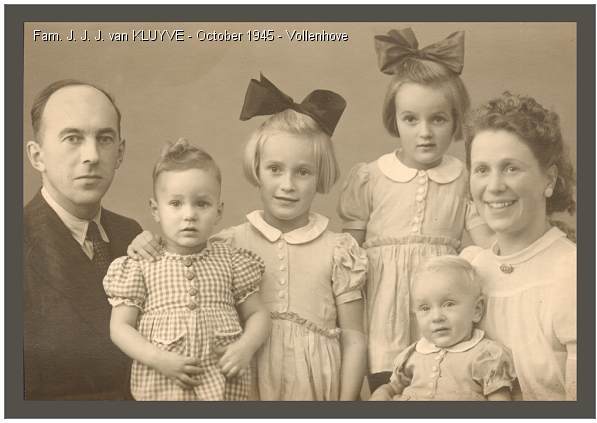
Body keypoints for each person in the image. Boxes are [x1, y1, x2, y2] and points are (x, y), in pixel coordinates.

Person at [129, 74, 368, 400]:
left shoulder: (338, 249)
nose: (287, 185)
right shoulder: (229, 244)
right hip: (245, 383)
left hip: (317, 388)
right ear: (256, 169)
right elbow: (177, 256)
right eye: (275, 169)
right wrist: (146, 242)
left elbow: (354, 337)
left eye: (303, 172)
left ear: (320, 175)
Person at [337, 27, 494, 391]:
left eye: (438, 119)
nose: (425, 132)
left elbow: (487, 248)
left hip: (443, 304)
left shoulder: (462, 179)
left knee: (437, 385)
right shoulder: (371, 177)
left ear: (456, 121)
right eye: (411, 119)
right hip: (384, 308)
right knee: (386, 388)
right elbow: (347, 255)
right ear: (395, 119)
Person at [104, 139, 271, 400]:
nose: (189, 215)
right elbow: (120, 328)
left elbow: (258, 314)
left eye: (202, 204)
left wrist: (245, 348)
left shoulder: (231, 260)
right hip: (163, 387)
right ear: (155, 209)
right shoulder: (142, 264)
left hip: (224, 387)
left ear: (218, 211)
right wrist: (158, 358)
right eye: (176, 203)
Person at [24, 80, 142, 399]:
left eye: (104, 139)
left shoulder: (132, 234)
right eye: (72, 138)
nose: (91, 155)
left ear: (120, 153)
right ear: (37, 156)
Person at [462, 92, 577, 400]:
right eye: (482, 169)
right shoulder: (470, 271)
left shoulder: (573, 272)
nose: (494, 186)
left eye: (511, 168)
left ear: (548, 179)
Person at [369, 256, 516, 401]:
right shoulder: (413, 354)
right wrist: (382, 393)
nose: (436, 317)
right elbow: (393, 387)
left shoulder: (485, 356)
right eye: (425, 308)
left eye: (449, 304)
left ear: (476, 310)